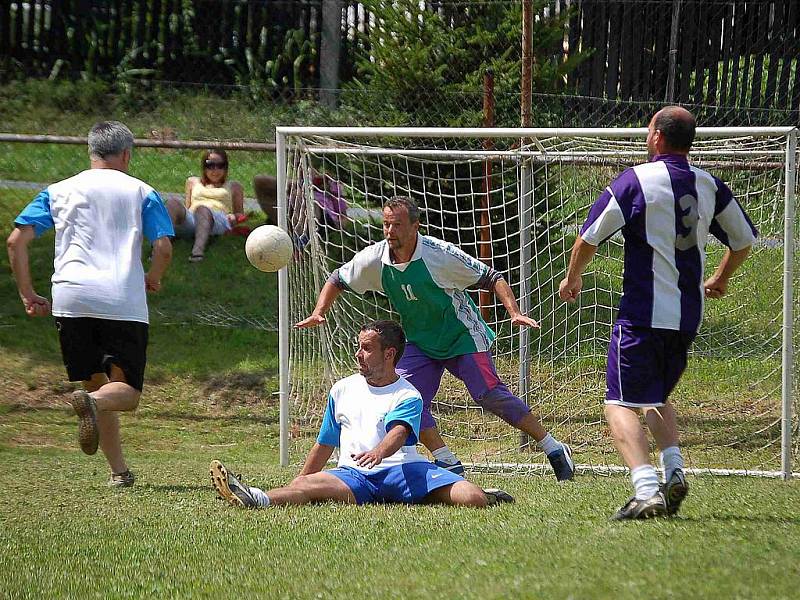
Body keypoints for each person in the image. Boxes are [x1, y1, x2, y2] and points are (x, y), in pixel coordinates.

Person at [558, 106, 757, 520]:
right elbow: (742, 240)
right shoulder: (709, 184)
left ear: (657, 138)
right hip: (687, 317)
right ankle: (675, 471)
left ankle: (646, 489)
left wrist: (573, 277)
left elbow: (589, 236)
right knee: (655, 398)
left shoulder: (636, 180)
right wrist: (720, 278)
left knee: (617, 404)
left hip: (642, 315)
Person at [295, 196, 575, 481]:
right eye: (386, 225)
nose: (390, 231)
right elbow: (337, 278)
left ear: (415, 226)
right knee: (405, 397)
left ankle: (552, 447)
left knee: (488, 395)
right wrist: (319, 312)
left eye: (397, 225)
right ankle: (446, 459)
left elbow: (492, 277)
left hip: (461, 336)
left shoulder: (438, 254)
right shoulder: (374, 259)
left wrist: (513, 312)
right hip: (419, 340)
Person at [6, 121, 174, 487]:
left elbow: (16, 241)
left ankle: (119, 472)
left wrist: (27, 293)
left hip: (70, 299)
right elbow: (163, 245)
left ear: (90, 151)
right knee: (124, 394)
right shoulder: (142, 191)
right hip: (120, 300)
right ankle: (91, 404)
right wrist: (155, 276)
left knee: (96, 384)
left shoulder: (58, 191)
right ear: (127, 154)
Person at [211, 320, 513, 508]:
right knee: (304, 486)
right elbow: (325, 443)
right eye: (359, 347)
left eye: (366, 348)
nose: (358, 354)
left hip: (403, 471)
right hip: (353, 477)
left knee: (471, 499)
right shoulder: (341, 389)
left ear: (389, 353)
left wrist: (379, 452)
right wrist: (299, 481)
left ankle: (488, 495)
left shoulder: (408, 394)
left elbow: (399, 433)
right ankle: (254, 497)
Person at [166, 149, 245, 262]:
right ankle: (160, 246)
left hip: (218, 219)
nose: (215, 170)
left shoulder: (234, 186)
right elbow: (188, 207)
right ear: (204, 166)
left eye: (220, 165)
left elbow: (240, 214)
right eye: (210, 165)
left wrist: (234, 217)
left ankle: (197, 252)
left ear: (226, 167)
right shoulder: (192, 182)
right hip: (193, 218)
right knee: (172, 202)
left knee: (202, 209)